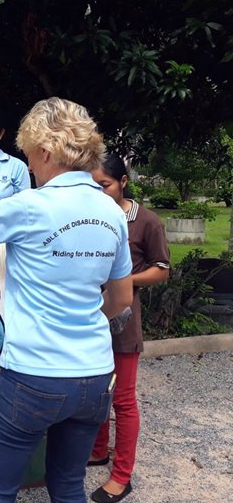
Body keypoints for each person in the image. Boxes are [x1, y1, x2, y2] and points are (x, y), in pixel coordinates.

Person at [0, 96, 134, 502]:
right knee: (69, 486)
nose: (29, 164)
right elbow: (121, 298)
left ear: (47, 151)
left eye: (31, 154)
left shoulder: (30, 206)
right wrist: (82, 316)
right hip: (94, 377)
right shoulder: (111, 213)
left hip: (34, 377)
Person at [88, 153, 170, 503]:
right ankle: (97, 450)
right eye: (92, 186)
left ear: (123, 182)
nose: (98, 192)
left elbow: (162, 269)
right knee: (95, 392)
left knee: (122, 399)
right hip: (88, 319)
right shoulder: (89, 217)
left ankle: (122, 476)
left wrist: (122, 280)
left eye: (104, 185)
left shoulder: (146, 221)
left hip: (123, 320)